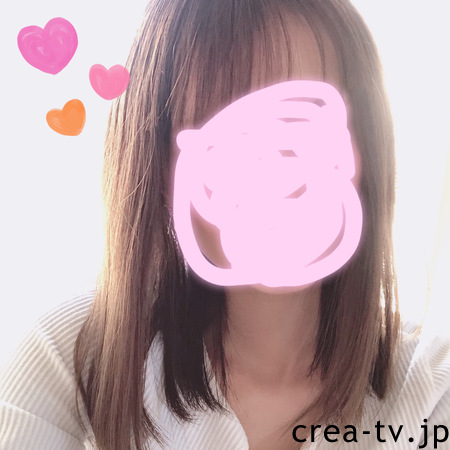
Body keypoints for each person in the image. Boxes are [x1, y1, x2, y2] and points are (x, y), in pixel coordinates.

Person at [1, 0, 449, 449]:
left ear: (364, 147)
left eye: (299, 126)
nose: (273, 181)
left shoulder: (432, 391)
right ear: (158, 166)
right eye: (229, 143)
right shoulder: (71, 353)